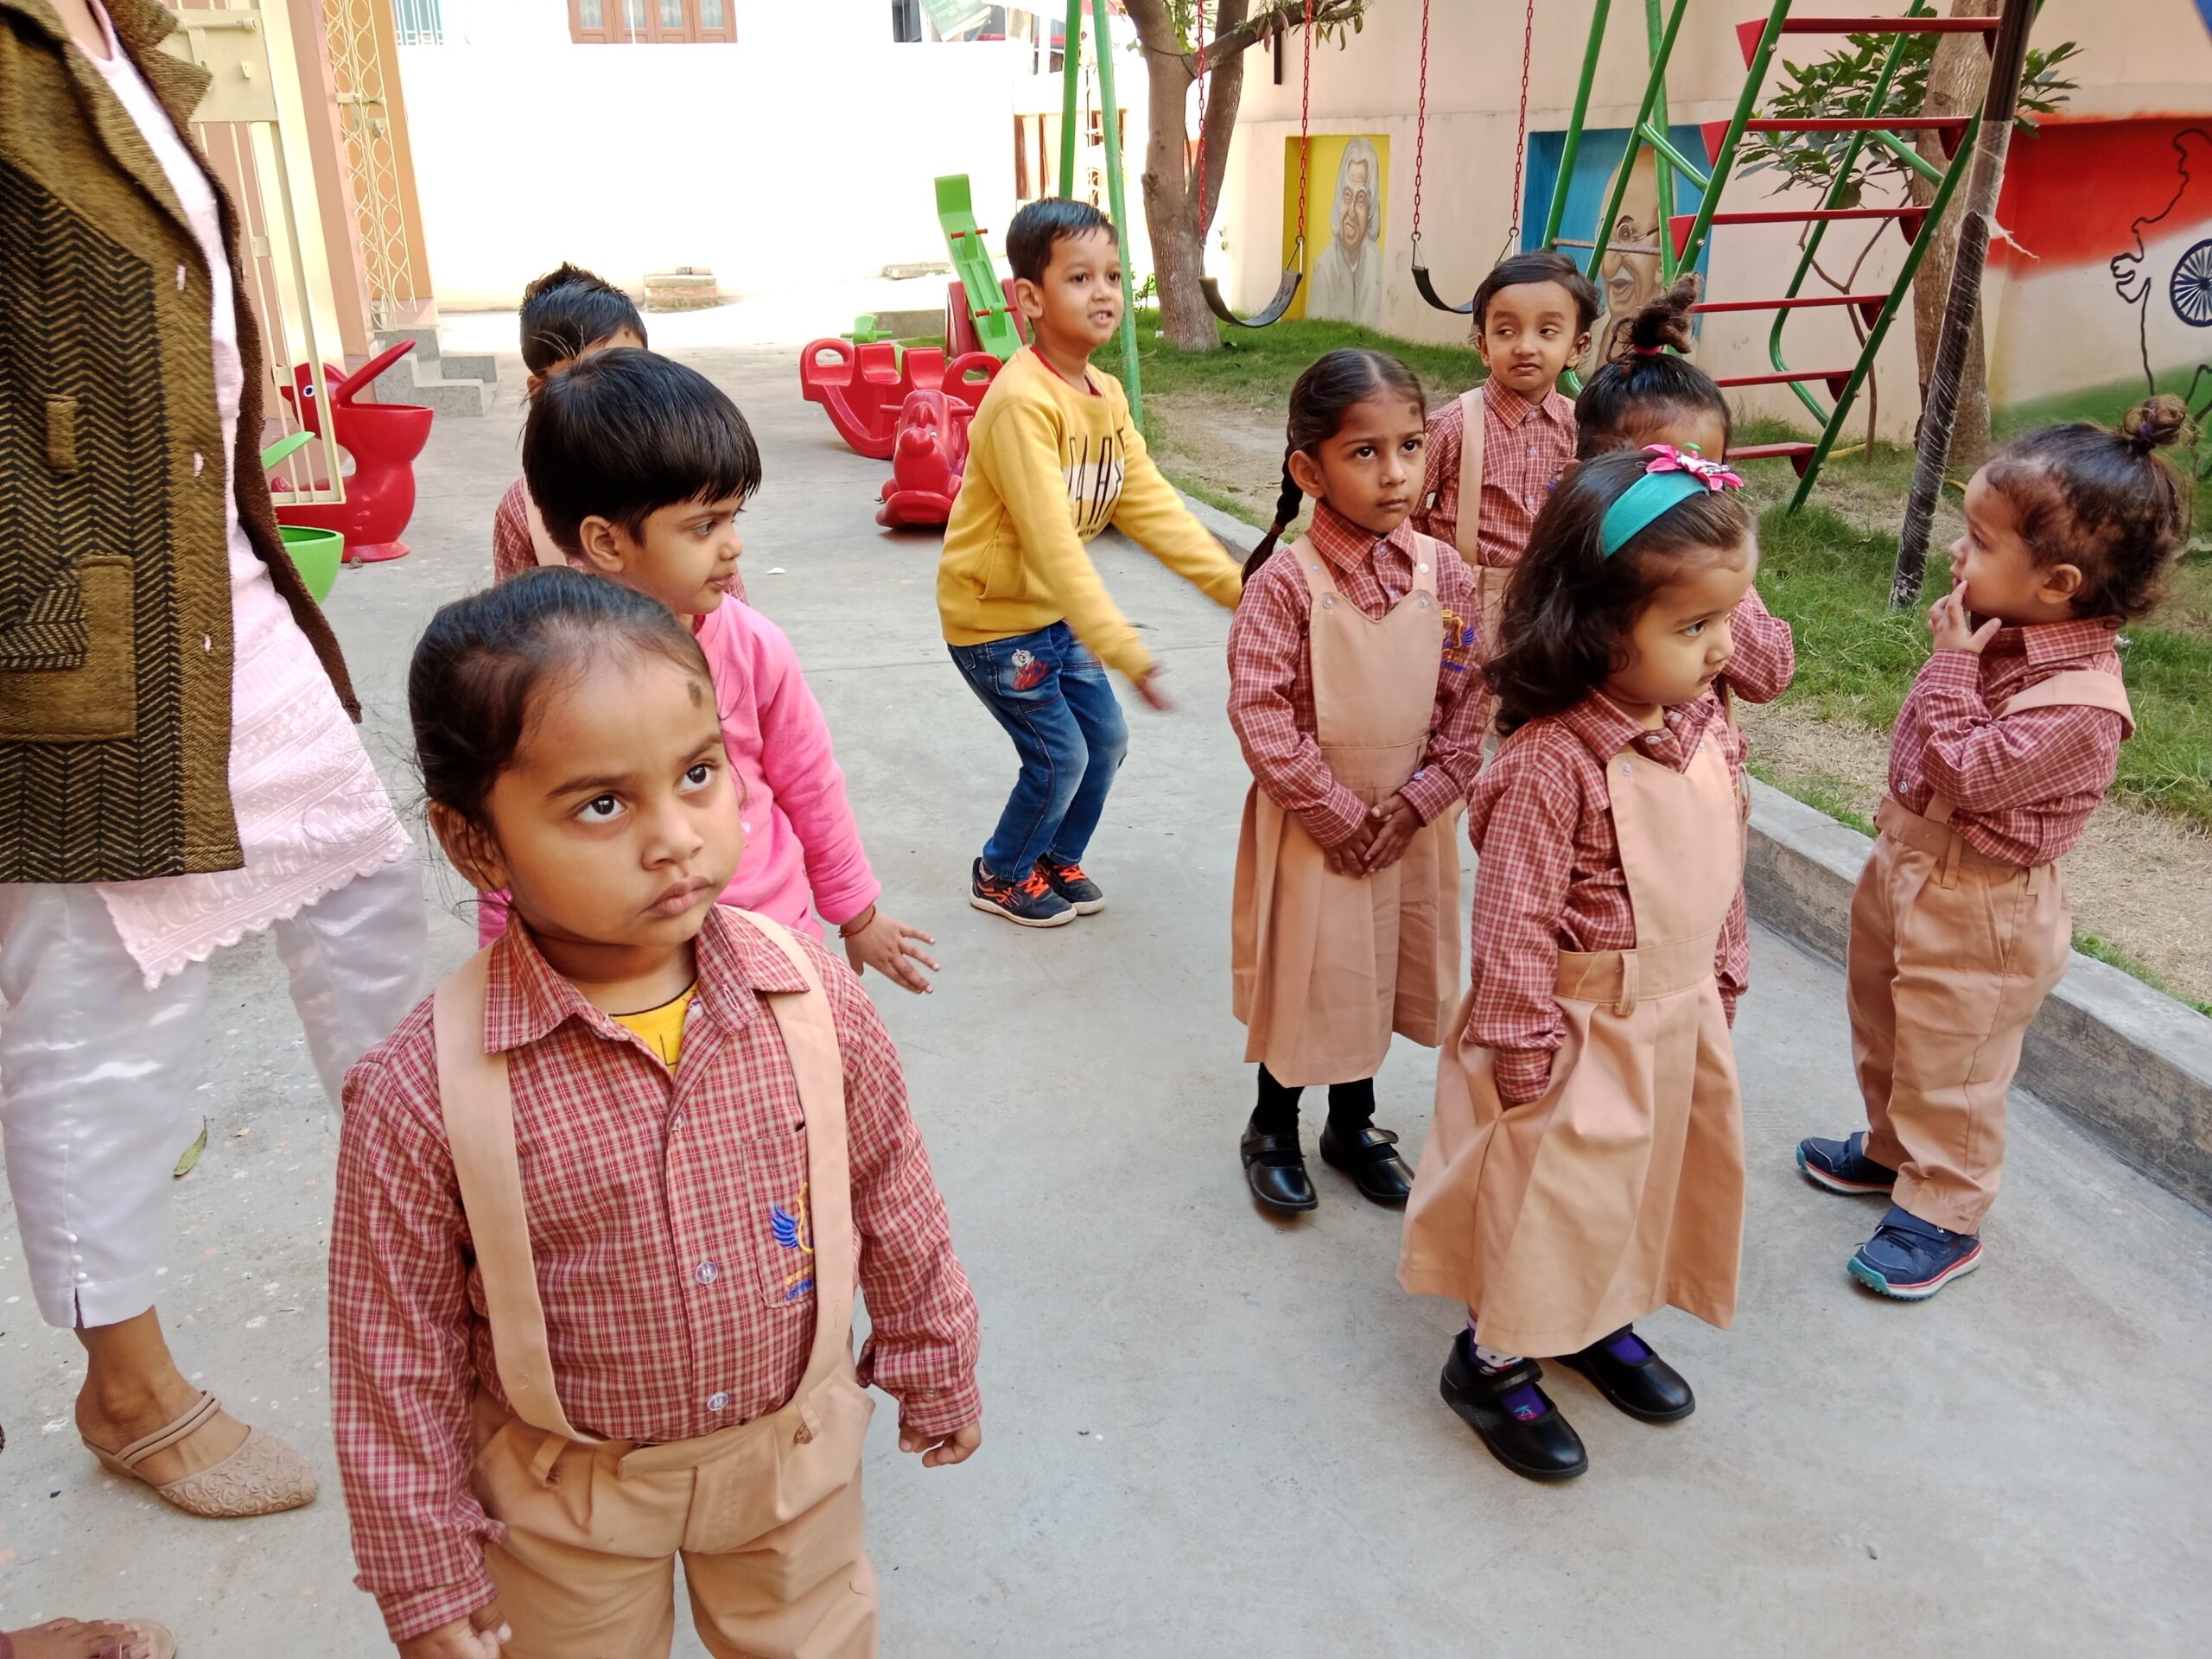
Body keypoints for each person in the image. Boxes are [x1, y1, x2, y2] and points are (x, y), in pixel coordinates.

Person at [331, 571, 982, 1659]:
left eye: (696, 774)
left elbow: (888, 1186)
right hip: (563, 1494)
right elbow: (392, 1346)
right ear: (477, 844)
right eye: (601, 803)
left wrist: (932, 1343)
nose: (676, 837)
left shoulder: (810, 996)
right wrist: (424, 1562)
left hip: (792, 1460)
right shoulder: (420, 1090)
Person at [1, 0, 425, 1521]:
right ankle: (125, 1381)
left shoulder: (117, 24)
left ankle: (470, 1274)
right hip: (70, 621)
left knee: (375, 920)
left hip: (215, 582)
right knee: (105, 1015)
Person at [1399, 446, 1758, 1483]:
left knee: (1635, 1194)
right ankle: (1493, 1355)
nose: (1720, 650)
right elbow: (1512, 927)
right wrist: (1519, 1057)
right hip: (1573, 1035)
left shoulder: (1698, 729)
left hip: (1676, 1015)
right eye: (1692, 628)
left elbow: (1721, 867)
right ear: (1598, 625)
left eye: (1724, 621)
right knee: (1544, 1200)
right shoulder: (1551, 765)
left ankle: (1592, 1314)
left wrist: (1722, 975)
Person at [1797, 397, 2190, 1300]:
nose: (1954, 552)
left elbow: (1969, 772)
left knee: (1956, 1059)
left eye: (1977, 541)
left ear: (2056, 582)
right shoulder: (2006, 634)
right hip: (1910, 867)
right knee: (1886, 1025)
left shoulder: (2082, 705)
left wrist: (1945, 666)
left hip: (1984, 904)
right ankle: (1895, 1152)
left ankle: (1944, 1208)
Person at [483, 348, 935, 992]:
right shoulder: (540, 684)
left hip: (771, 943)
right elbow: (514, 839)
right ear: (606, 542)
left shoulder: (754, 648)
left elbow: (811, 784)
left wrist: (855, 912)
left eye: (732, 517)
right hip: (620, 969)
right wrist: (507, 973)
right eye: (703, 526)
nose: (733, 545)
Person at [1227, 351, 1485, 1214]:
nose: (1395, 472)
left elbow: (1466, 698)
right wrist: (1339, 813)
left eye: (1409, 446)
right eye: (1364, 452)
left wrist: (1418, 803)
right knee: (1310, 973)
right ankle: (1272, 1123)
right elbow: (1261, 716)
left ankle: (1353, 1123)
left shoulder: (1445, 576)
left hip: (1409, 827)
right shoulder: (1284, 586)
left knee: (1381, 969)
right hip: (1313, 828)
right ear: (1310, 469)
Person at [938, 198, 1244, 926]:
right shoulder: (1021, 403)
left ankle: (1050, 854)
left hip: (1053, 614)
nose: (1104, 292)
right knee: (1061, 756)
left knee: (1105, 741)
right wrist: (1124, 647)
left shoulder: (1103, 395)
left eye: (1112, 274)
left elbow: (1153, 508)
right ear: (1031, 300)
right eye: (1080, 278)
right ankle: (1001, 870)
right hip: (995, 624)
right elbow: (1050, 543)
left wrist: (1242, 590)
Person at [1570, 276, 1794, 706]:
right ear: (1585, 482)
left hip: (1704, 766)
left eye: (1707, 478)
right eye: (1665, 480)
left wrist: (1719, 598)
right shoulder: (1571, 570)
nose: (1689, 502)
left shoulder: (1717, 573)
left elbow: (1769, 677)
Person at [1409, 251, 1599, 727]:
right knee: (1456, 714)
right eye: (1506, 330)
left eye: (1547, 331)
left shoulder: (1580, 429)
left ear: (1577, 347)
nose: (1525, 346)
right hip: (1467, 594)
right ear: (1482, 345)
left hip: (1550, 595)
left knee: (1536, 712)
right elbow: (1405, 511)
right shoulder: (1456, 424)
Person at [489, 264, 661, 585]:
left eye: (632, 371)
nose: (617, 393)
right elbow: (514, 627)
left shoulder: (686, 479)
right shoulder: (523, 510)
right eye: (584, 376)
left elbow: (732, 620)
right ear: (539, 392)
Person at [1304, 137, 1383, 328]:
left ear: (1371, 207)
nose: (1351, 212)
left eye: (1361, 198)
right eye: (1347, 195)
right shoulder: (1324, 269)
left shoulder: (1377, 266)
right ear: (1339, 199)